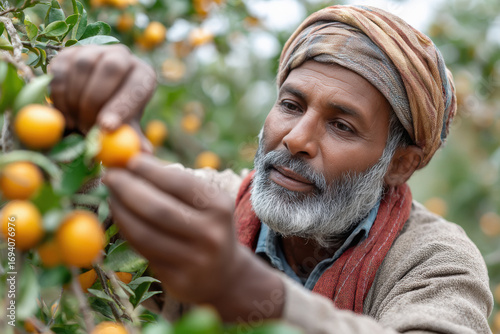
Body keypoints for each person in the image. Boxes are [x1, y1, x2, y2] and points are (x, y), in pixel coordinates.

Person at [48, 5, 493, 333]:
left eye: (341, 125)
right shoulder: (210, 204)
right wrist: (72, 118)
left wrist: (253, 292)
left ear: (400, 164)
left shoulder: (435, 262)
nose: (296, 139)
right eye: (290, 105)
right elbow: (72, 207)